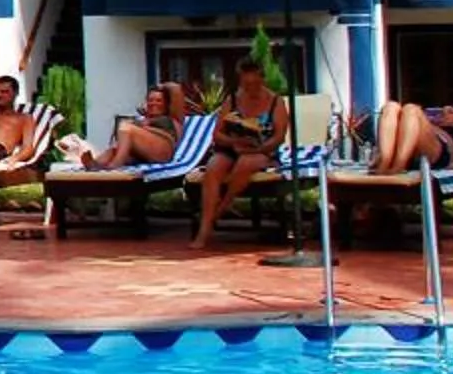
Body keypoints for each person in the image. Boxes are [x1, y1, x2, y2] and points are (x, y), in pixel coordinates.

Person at [195, 58, 287, 248]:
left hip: (261, 150)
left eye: (254, 84)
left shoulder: (276, 102)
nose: (250, 88)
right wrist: (235, 141)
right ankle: (204, 228)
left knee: (247, 162)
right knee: (213, 168)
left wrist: (260, 147)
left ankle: (223, 206)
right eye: (246, 84)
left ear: (262, 80)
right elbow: (217, 135)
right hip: (233, 147)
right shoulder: (233, 100)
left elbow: (279, 136)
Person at [65, 84, 183, 171]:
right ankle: (95, 165)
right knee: (113, 151)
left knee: (126, 127)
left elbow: (176, 89)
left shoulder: (172, 117)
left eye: (159, 100)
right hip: (146, 154)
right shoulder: (144, 120)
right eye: (150, 100)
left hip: (163, 150)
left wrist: (160, 86)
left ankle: (115, 166)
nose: (154, 103)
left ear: (166, 104)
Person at [371, 101, 453, 175]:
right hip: (410, 151)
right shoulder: (429, 124)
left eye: (451, 112)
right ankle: (385, 161)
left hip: (436, 153)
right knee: (391, 106)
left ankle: (398, 166)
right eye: (441, 111)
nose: (443, 112)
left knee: (411, 109)